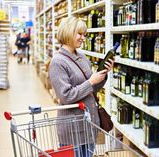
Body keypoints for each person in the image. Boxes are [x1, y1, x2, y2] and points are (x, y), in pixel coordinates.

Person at [49, 17, 114, 156]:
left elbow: (92, 90)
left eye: (84, 34)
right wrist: (91, 81)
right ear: (68, 32)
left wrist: (103, 75)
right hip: (72, 129)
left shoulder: (82, 57)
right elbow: (66, 96)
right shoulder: (58, 62)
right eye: (80, 34)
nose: (83, 38)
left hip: (89, 125)